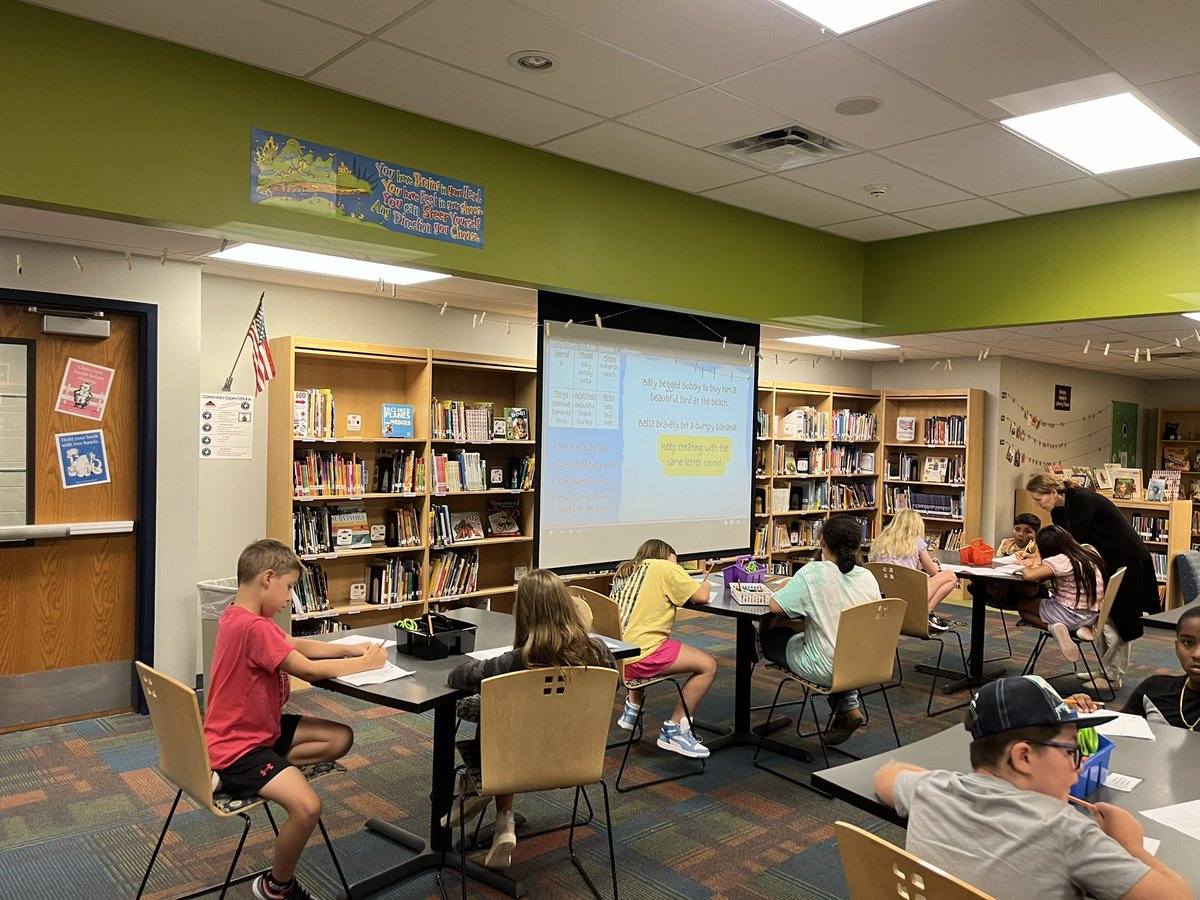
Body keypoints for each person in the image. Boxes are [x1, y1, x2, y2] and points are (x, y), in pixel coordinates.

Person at [874, 675, 1191, 900]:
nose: (1080, 765)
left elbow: (887, 775)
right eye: (1072, 751)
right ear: (1023, 757)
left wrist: (959, 784)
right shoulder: (1070, 833)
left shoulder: (930, 789)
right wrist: (1131, 846)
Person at [204, 539, 388, 900]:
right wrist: (365, 664)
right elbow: (307, 670)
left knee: (339, 738)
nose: (289, 598)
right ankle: (277, 887)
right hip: (239, 748)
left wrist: (348, 648)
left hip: (257, 730)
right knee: (307, 808)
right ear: (267, 578)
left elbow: (294, 644)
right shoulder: (254, 628)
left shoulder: (239, 615)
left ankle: (272, 772)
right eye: (288, 587)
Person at [446, 569, 616, 869]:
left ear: (523, 613)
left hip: (517, 763)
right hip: (577, 757)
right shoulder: (599, 652)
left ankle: (478, 791)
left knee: (498, 712)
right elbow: (613, 687)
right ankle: (502, 822)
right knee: (507, 712)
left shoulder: (516, 661)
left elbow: (458, 676)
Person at [1026, 473, 1158, 691]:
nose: (1037, 504)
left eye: (1039, 499)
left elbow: (1071, 543)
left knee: (1118, 619)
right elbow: (1060, 542)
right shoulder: (1059, 509)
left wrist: (1041, 563)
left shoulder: (1082, 501)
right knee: (1103, 617)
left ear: (1053, 492)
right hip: (1104, 561)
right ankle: (1105, 669)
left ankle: (1113, 676)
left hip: (1125, 559)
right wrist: (1036, 557)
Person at [761, 514, 882, 745]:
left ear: (822, 542)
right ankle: (848, 708)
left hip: (826, 668)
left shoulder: (813, 573)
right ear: (858, 546)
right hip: (864, 664)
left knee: (771, 635)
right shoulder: (868, 577)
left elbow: (775, 607)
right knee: (826, 637)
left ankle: (752, 650)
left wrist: (790, 586)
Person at [610, 538, 716, 759]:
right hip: (641, 657)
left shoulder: (625, 570)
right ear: (667, 556)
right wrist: (705, 584)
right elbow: (701, 596)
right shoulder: (665, 567)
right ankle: (675, 730)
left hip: (616, 657)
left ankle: (632, 709)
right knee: (708, 665)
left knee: (639, 632)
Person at [1017, 525, 1106, 662]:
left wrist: (1024, 568)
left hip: (1069, 615)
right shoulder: (1088, 551)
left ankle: (1055, 627)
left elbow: (1030, 576)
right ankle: (1081, 629)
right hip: (1093, 616)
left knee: (1023, 607)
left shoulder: (1062, 560)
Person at [869, 507, 958, 633]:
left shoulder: (881, 541)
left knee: (924, 579)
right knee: (950, 576)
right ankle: (926, 613)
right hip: (910, 596)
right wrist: (934, 563)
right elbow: (933, 571)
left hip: (886, 595)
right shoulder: (916, 542)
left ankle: (924, 614)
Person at [1121, 606, 1200, 730]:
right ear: (1176, 646)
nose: (1197, 654)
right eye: (1188, 643)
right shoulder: (1153, 690)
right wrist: (1088, 714)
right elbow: (1117, 731)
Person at [968, 513, 1046, 610]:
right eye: (1017, 529)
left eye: (1027, 531)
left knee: (1031, 588)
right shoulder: (1006, 544)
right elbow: (997, 564)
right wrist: (1002, 583)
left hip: (1022, 586)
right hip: (1002, 582)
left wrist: (1031, 554)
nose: (1021, 534)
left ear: (1036, 534)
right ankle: (995, 593)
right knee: (975, 579)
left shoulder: (1038, 547)